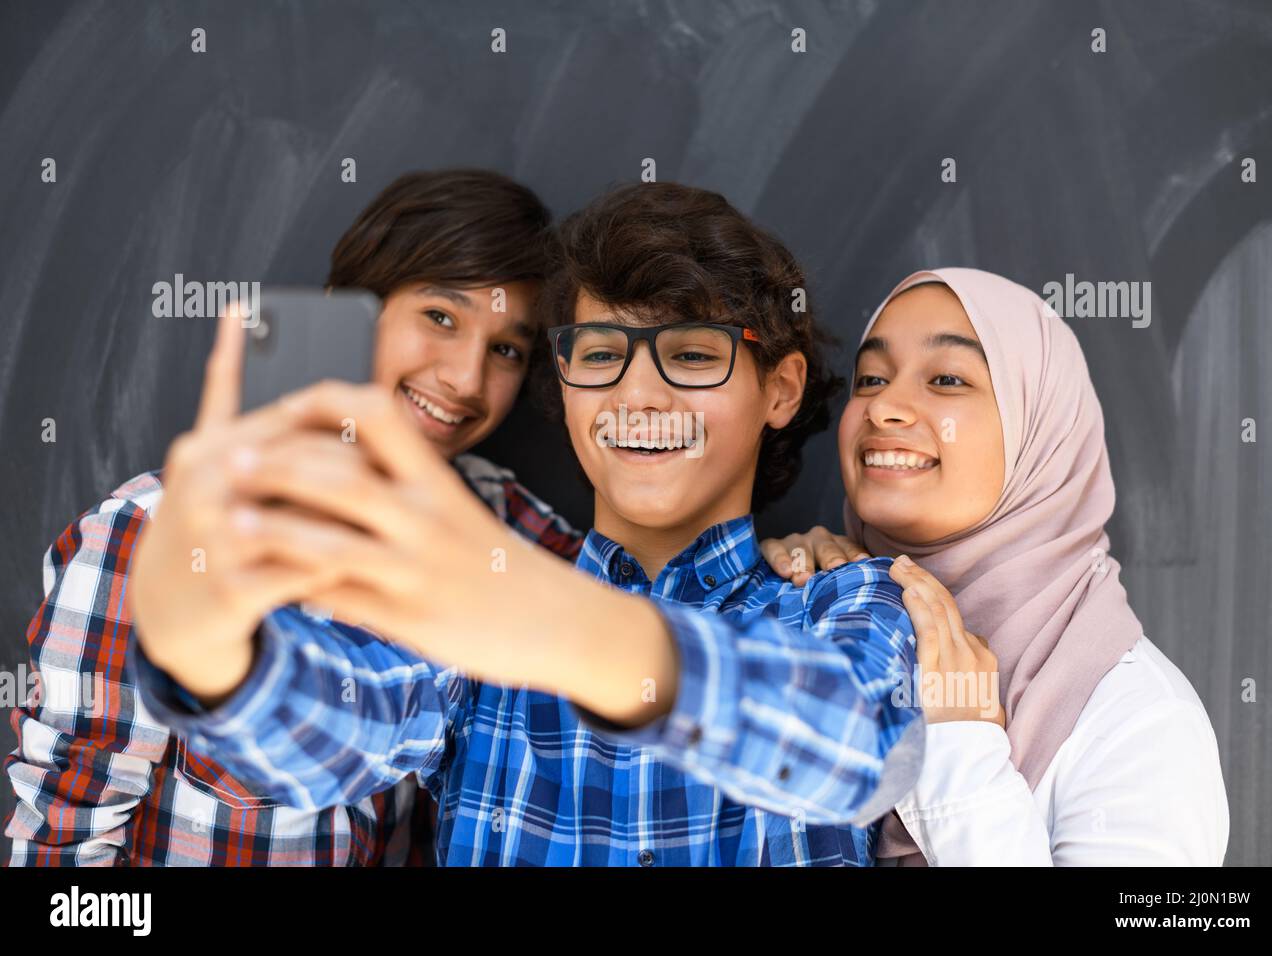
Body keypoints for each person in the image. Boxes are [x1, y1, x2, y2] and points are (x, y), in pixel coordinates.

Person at [124, 182, 925, 866]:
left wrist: (569, 632)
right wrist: (206, 651)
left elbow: (864, 749)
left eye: (689, 355)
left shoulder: (842, 599)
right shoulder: (476, 616)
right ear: (565, 383)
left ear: (781, 390)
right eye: (601, 353)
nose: (636, 397)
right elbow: (342, 722)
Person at [4, 169, 583, 866]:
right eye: (440, 317)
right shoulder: (153, 531)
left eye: (506, 350)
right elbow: (63, 854)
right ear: (351, 308)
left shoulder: (498, 526)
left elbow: (637, 604)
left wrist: (752, 566)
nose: (464, 378)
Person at [763, 268, 1230, 865]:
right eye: (871, 377)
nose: (884, 406)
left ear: (1041, 427)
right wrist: (787, 591)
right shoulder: (820, 613)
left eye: (947, 379)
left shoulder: (1141, 722)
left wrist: (960, 741)